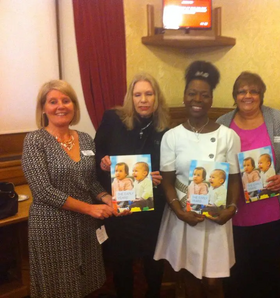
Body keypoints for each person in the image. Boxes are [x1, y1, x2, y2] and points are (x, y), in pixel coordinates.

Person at [21, 80, 118, 298]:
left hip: (84, 225)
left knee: (84, 283)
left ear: (74, 105)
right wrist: (90, 209)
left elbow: (91, 182)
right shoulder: (35, 141)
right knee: (58, 286)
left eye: (66, 100)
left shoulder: (84, 139)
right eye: (53, 101)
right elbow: (43, 191)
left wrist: (106, 197)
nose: (60, 106)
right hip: (51, 226)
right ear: (44, 108)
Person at [154, 60, 241, 298]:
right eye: (192, 93)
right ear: (184, 97)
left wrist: (232, 208)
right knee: (188, 274)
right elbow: (168, 180)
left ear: (211, 100)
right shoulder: (172, 136)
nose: (197, 99)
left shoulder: (228, 136)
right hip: (183, 210)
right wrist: (178, 210)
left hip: (217, 212)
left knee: (213, 282)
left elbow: (234, 178)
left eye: (204, 95)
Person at [217, 71, 280, 298]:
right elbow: (212, 162)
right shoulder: (222, 124)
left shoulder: (279, 120)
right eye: (242, 91)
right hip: (234, 215)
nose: (248, 95)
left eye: (253, 91)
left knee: (267, 274)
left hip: (270, 213)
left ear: (261, 94)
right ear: (235, 95)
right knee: (236, 274)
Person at [94, 73, 169, 298]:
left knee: (153, 261)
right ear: (130, 97)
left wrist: (159, 177)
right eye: (138, 94)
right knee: (121, 261)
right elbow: (97, 152)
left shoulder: (164, 129)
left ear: (156, 98)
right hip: (121, 205)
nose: (143, 99)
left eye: (149, 94)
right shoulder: (112, 119)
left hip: (151, 207)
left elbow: (169, 167)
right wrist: (104, 161)